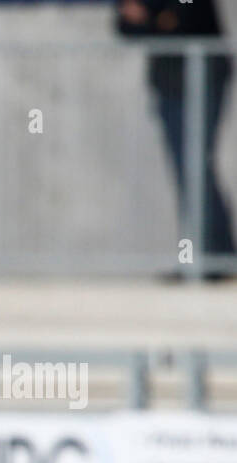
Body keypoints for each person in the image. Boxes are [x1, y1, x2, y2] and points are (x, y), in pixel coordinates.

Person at [117, 0, 236, 271]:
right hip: (168, 82)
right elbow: (125, 25)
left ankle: (215, 256)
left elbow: (187, 18)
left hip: (205, 76)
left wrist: (149, 20)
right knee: (186, 170)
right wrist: (157, 21)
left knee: (195, 167)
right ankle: (208, 256)